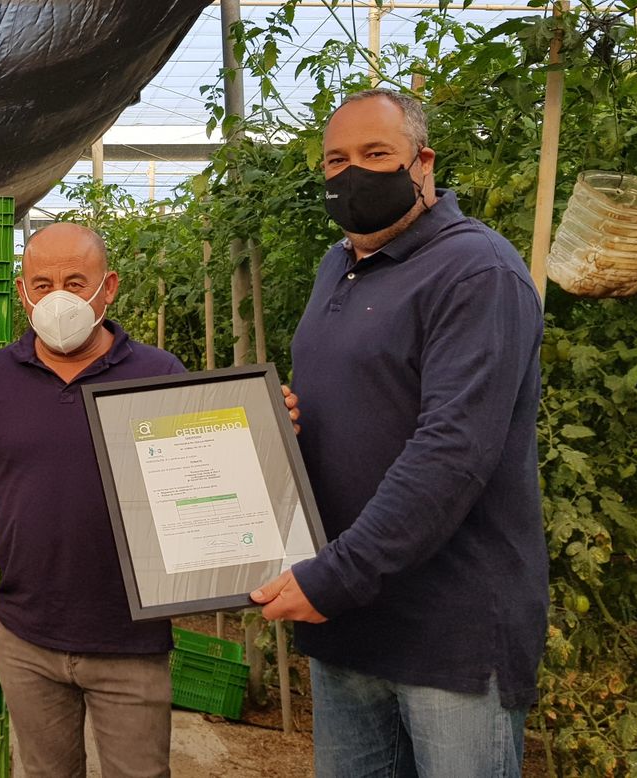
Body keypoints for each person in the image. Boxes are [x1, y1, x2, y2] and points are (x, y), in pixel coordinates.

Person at [0, 223, 299, 778]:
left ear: (109, 287)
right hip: (26, 636)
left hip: (130, 639)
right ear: (22, 292)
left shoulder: (158, 374)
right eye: (43, 284)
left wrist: (264, 426)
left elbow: (205, 476)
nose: (59, 298)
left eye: (76, 282)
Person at [250, 89, 547, 776]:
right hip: (350, 624)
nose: (353, 173)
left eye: (376, 154)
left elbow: (452, 453)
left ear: (424, 163)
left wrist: (334, 577)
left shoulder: (476, 271)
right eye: (336, 160)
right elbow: (358, 401)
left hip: (449, 635)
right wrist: (283, 422)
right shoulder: (338, 265)